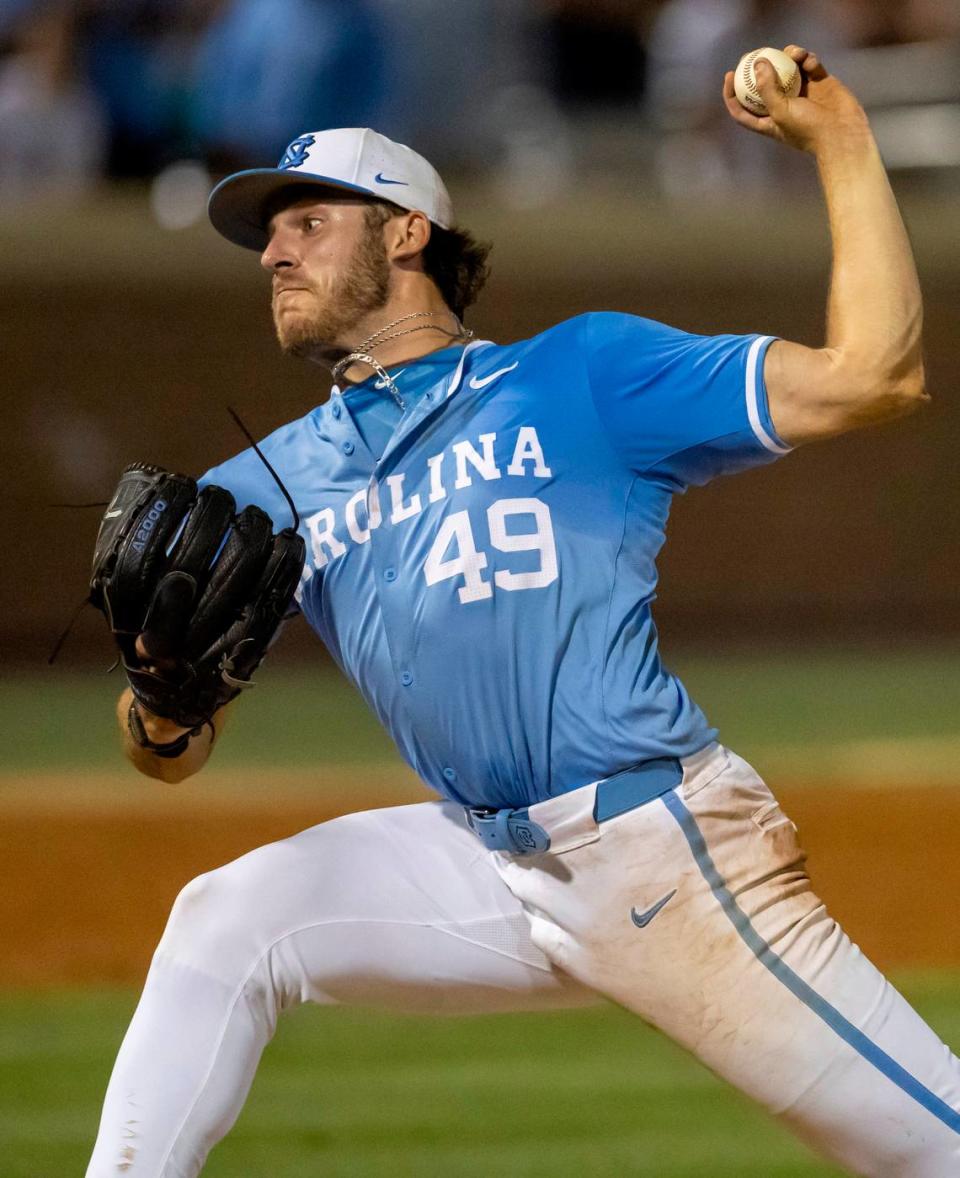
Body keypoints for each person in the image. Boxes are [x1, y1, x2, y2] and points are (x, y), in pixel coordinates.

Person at [86, 50, 960, 1177]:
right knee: (225, 920)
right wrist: (160, 694)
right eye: (269, 232)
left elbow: (875, 373)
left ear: (406, 232)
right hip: (488, 863)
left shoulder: (581, 374)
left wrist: (839, 134)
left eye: (307, 218)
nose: (274, 250)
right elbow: (168, 751)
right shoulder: (265, 484)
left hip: (659, 853)